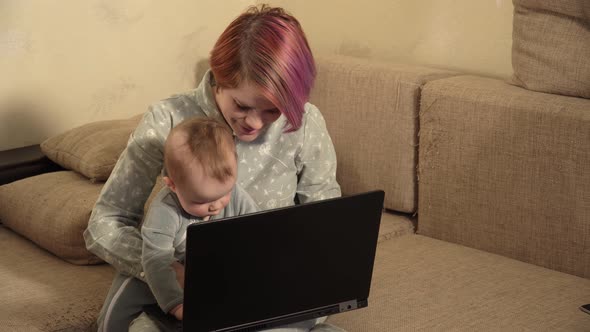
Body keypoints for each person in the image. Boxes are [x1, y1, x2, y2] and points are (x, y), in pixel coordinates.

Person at [85, 4, 343, 331]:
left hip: (265, 289)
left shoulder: (304, 123)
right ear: (219, 78)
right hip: (177, 292)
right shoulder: (167, 121)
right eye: (242, 105)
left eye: (272, 111)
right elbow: (104, 223)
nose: (254, 123)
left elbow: (325, 222)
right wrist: (166, 269)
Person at [98, 117, 259, 331]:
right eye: (201, 201)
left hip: (205, 267)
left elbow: (255, 232)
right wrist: (176, 304)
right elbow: (157, 261)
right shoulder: (164, 211)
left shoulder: (237, 196)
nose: (215, 206)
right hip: (160, 262)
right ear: (172, 185)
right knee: (116, 314)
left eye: (224, 194)